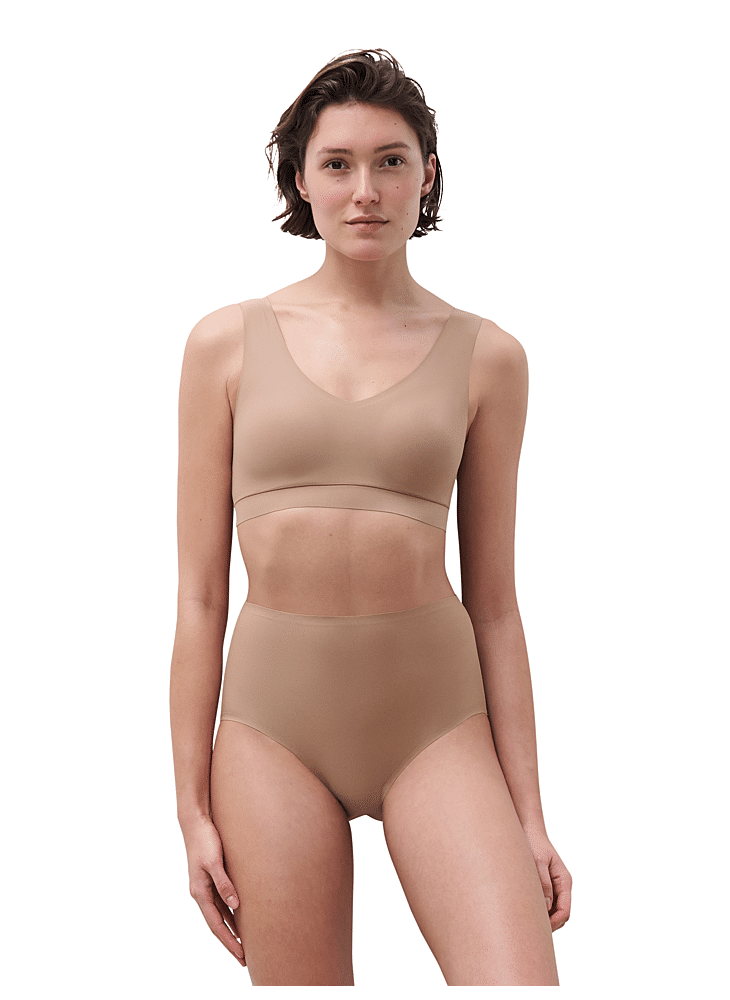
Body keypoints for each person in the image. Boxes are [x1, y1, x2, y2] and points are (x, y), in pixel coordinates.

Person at [170, 47, 571, 987]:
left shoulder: (489, 357)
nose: (365, 191)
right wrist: (190, 809)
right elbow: (197, 597)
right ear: (299, 180)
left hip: (436, 722)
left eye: (391, 161)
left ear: (427, 175)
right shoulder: (224, 344)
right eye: (337, 163)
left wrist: (530, 815)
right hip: (271, 731)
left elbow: (496, 604)